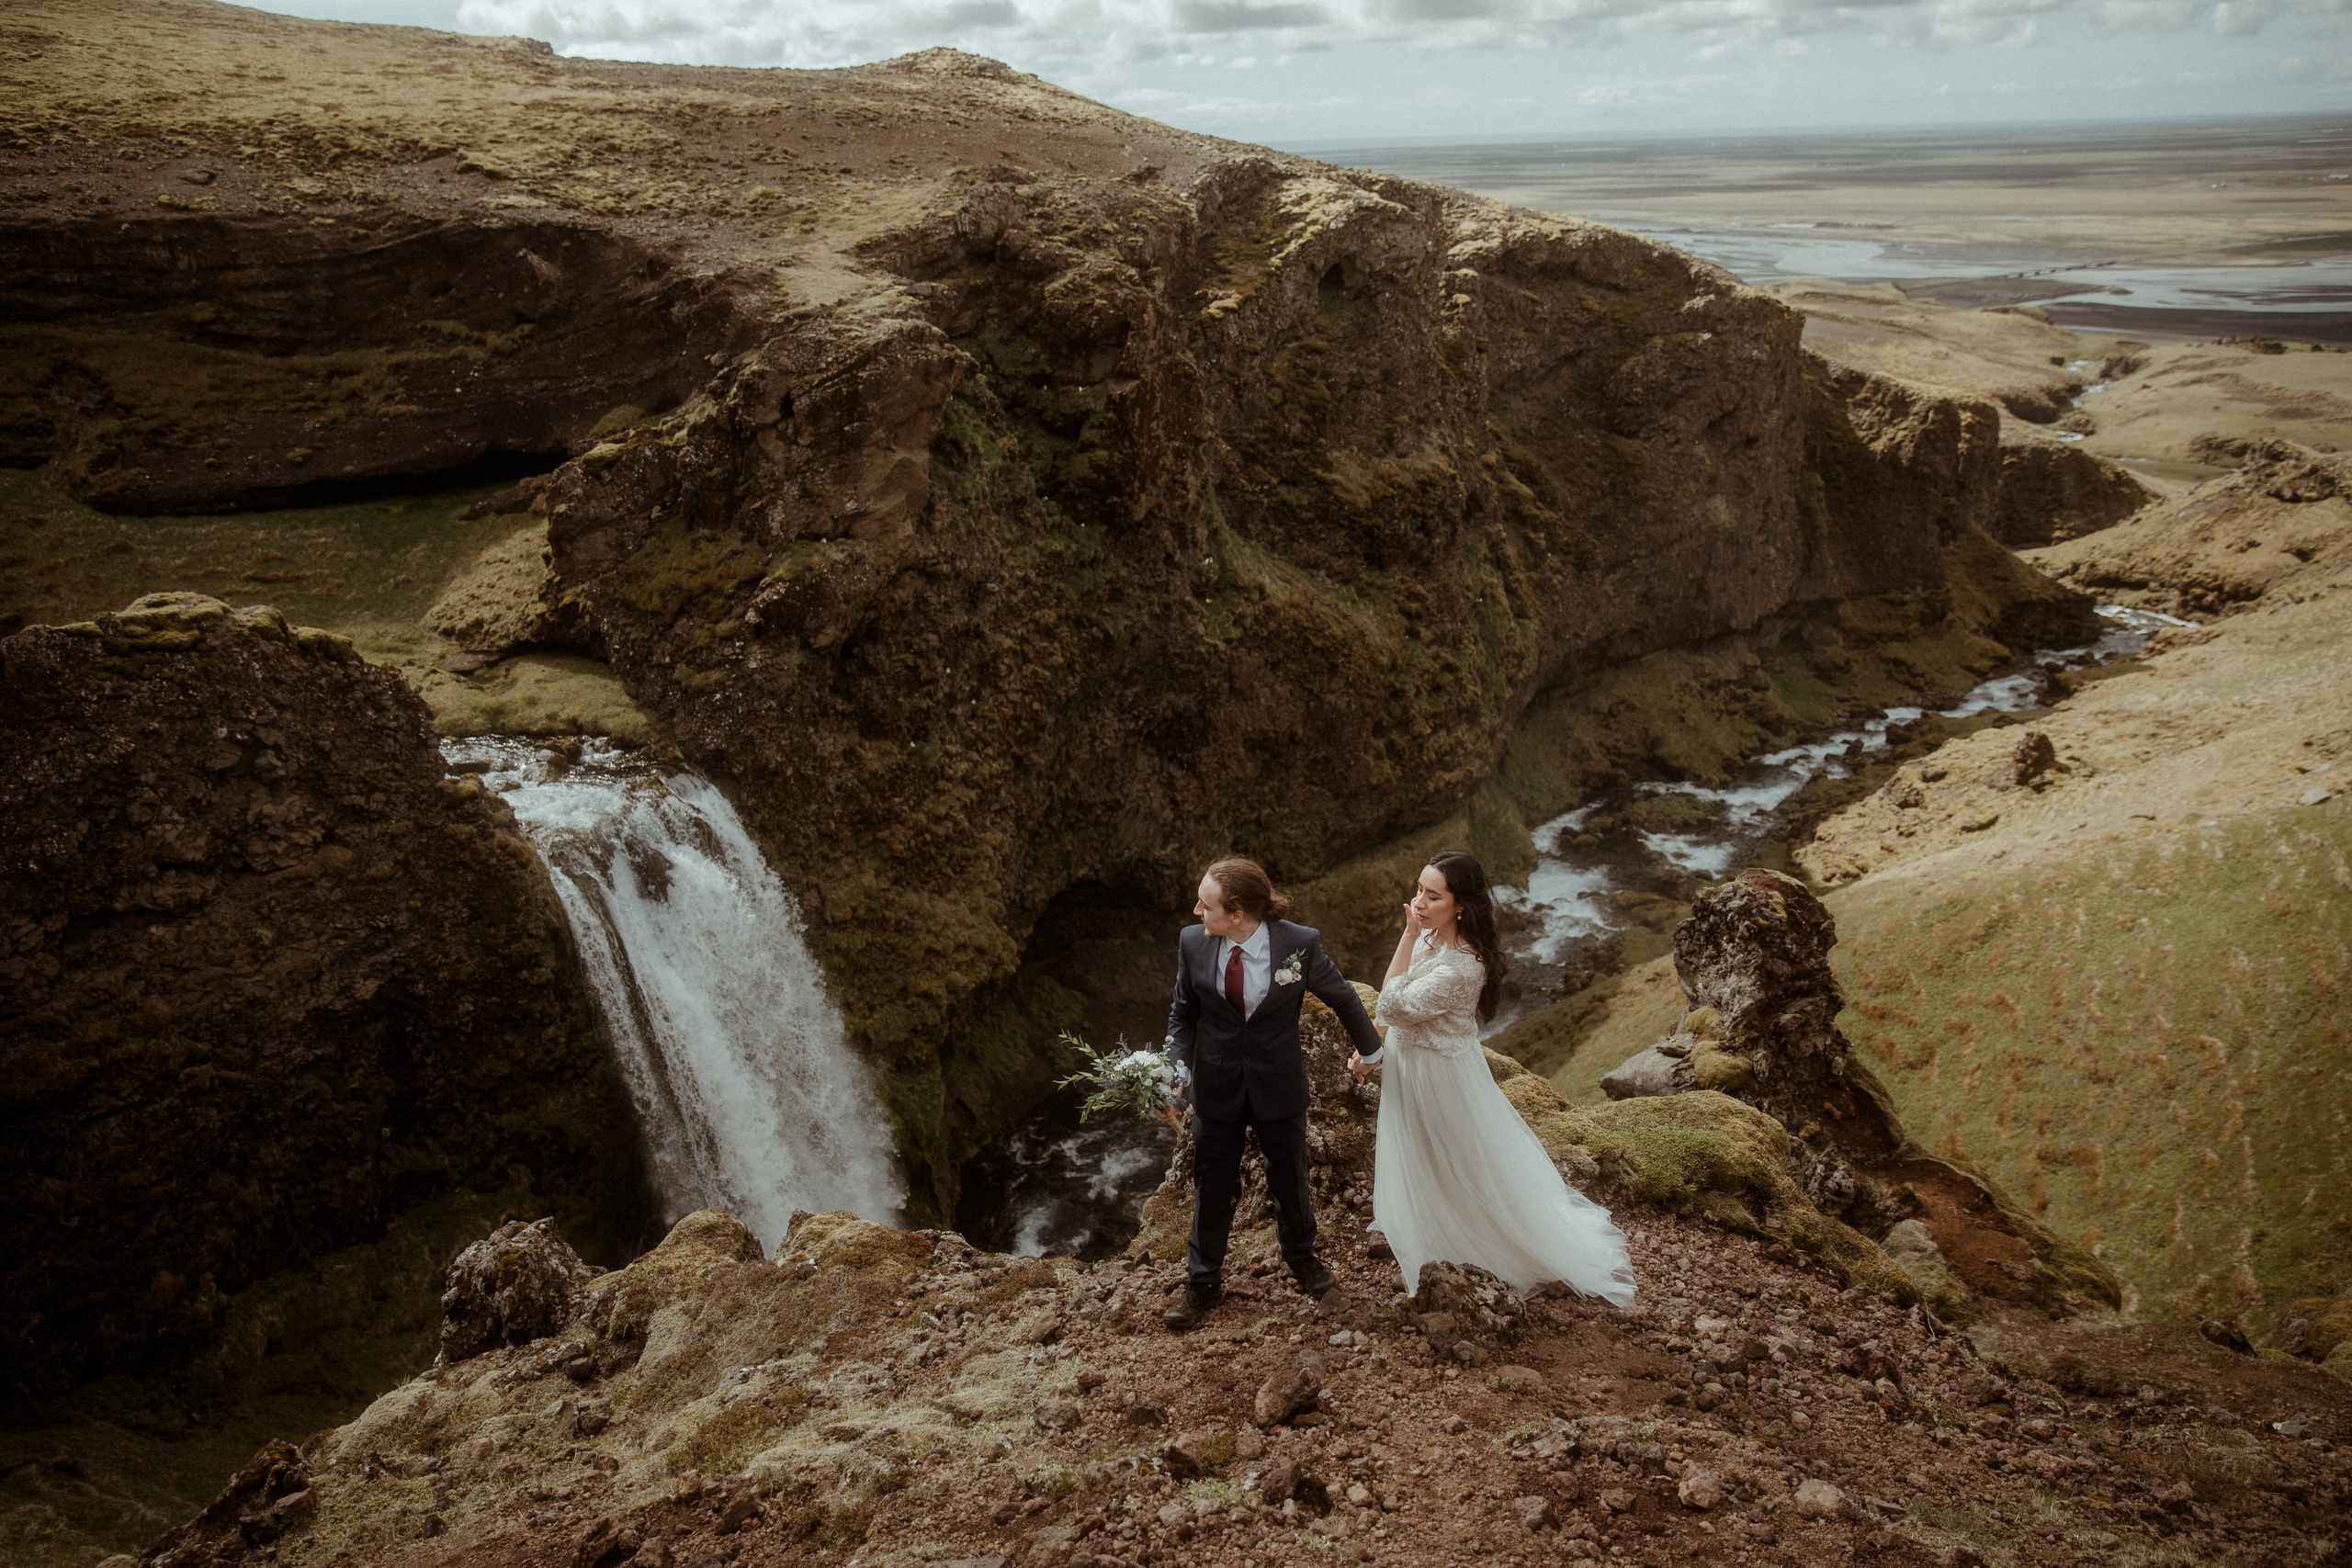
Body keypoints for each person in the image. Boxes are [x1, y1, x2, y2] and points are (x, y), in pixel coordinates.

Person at [1349, 849, 1637, 1306]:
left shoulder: (1462, 966)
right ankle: (1428, 1248)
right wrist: (1372, 1049)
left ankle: (1480, 1253)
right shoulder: (1432, 938)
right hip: (1411, 1065)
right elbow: (1394, 1011)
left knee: (1455, 1163)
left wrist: (1406, 935)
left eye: (1433, 896)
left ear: (1461, 905)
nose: (1419, 903)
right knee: (1419, 1155)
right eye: (1419, 890)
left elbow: (1390, 1002)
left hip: (1440, 1075)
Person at [1160, 856, 1385, 1331]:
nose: (1196, 912)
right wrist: (1174, 1080)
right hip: (1217, 1086)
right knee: (1211, 1184)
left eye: (1205, 905)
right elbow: (1183, 1016)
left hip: (1279, 1084)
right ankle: (1202, 1281)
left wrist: (1371, 1052)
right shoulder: (1191, 943)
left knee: (1290, 1178)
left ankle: (1302, 1258)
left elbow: (1342, 996)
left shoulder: (1299, 943)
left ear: (1237, 913)